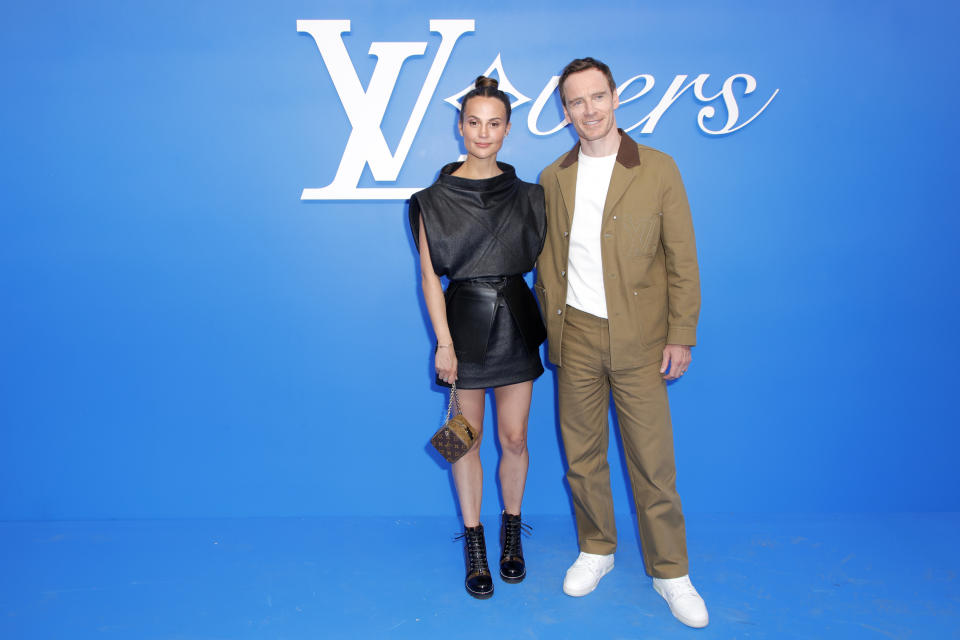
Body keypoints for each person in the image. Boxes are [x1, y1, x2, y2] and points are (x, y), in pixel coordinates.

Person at [535, 58, 709, 628]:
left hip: (640, 338)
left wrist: (682, 332)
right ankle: (597, 549)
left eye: (597, 97)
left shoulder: (658, 169)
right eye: (576, 102)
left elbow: (682, 257)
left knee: (653, 463)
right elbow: (546, 263)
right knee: (582, 457)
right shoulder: (553, 176)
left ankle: (671, 571)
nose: (589, 110)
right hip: (576, 334)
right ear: (565, 112)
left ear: (615, 99)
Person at [409, 76, 547, 600]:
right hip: (463, 327)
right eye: (473, 122)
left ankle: (512, 531)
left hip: (516, 321)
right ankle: (475, 541)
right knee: (464, 442)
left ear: (507, 130)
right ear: (460, 126)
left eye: (494, 124)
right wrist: (443, 342)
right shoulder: (431, 200)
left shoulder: (531, 197)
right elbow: (429, 278)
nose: (483, 133)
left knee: (515, 439)